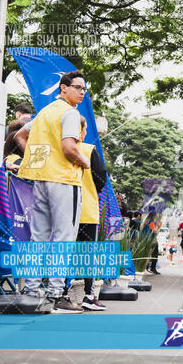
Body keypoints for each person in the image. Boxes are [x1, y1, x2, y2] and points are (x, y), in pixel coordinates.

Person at [14, 70, 90, 313]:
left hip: (42, 180)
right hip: (64, 180)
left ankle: (30, 293)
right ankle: (56, 294)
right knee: (63, 239)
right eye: (78, 87)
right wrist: (84, 161)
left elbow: (19, 135)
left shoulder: (44, 113)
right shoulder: (70, 113)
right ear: (63, 88)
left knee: (38, 237)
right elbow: (69, 147)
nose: (82, 92)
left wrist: (39, 160)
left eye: (84, 89)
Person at [76, 116, 108, 311]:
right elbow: (100, 179)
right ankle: (88, 295)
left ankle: (60, 293)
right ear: (82, 130)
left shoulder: (58, 149)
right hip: (86, 210)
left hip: (63, 212)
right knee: (86, 255)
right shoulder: (88, 150)